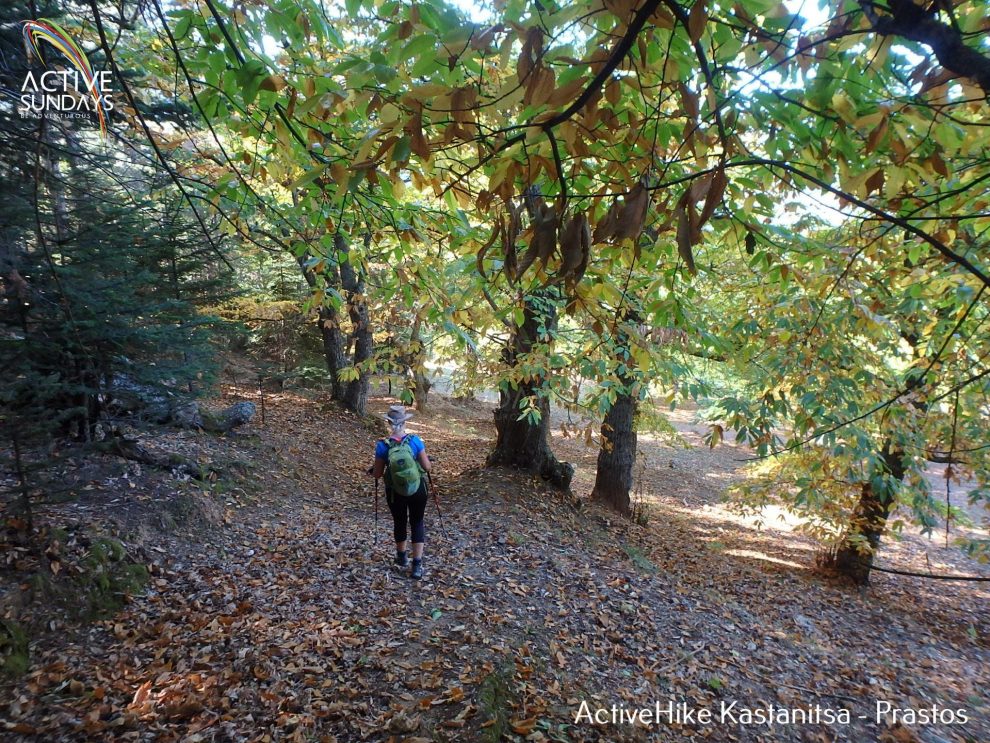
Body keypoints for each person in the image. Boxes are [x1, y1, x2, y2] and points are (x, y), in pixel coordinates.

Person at [371, 404, 432, 580]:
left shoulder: (382, 446)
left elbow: (377, 473)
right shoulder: (415, 441)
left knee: (400, 521)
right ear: (404, 422)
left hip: (394, 491)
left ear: (389, 423)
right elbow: (426, 467)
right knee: (417, 522)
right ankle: (417, 565)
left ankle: (402, 557)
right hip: (418, 489)